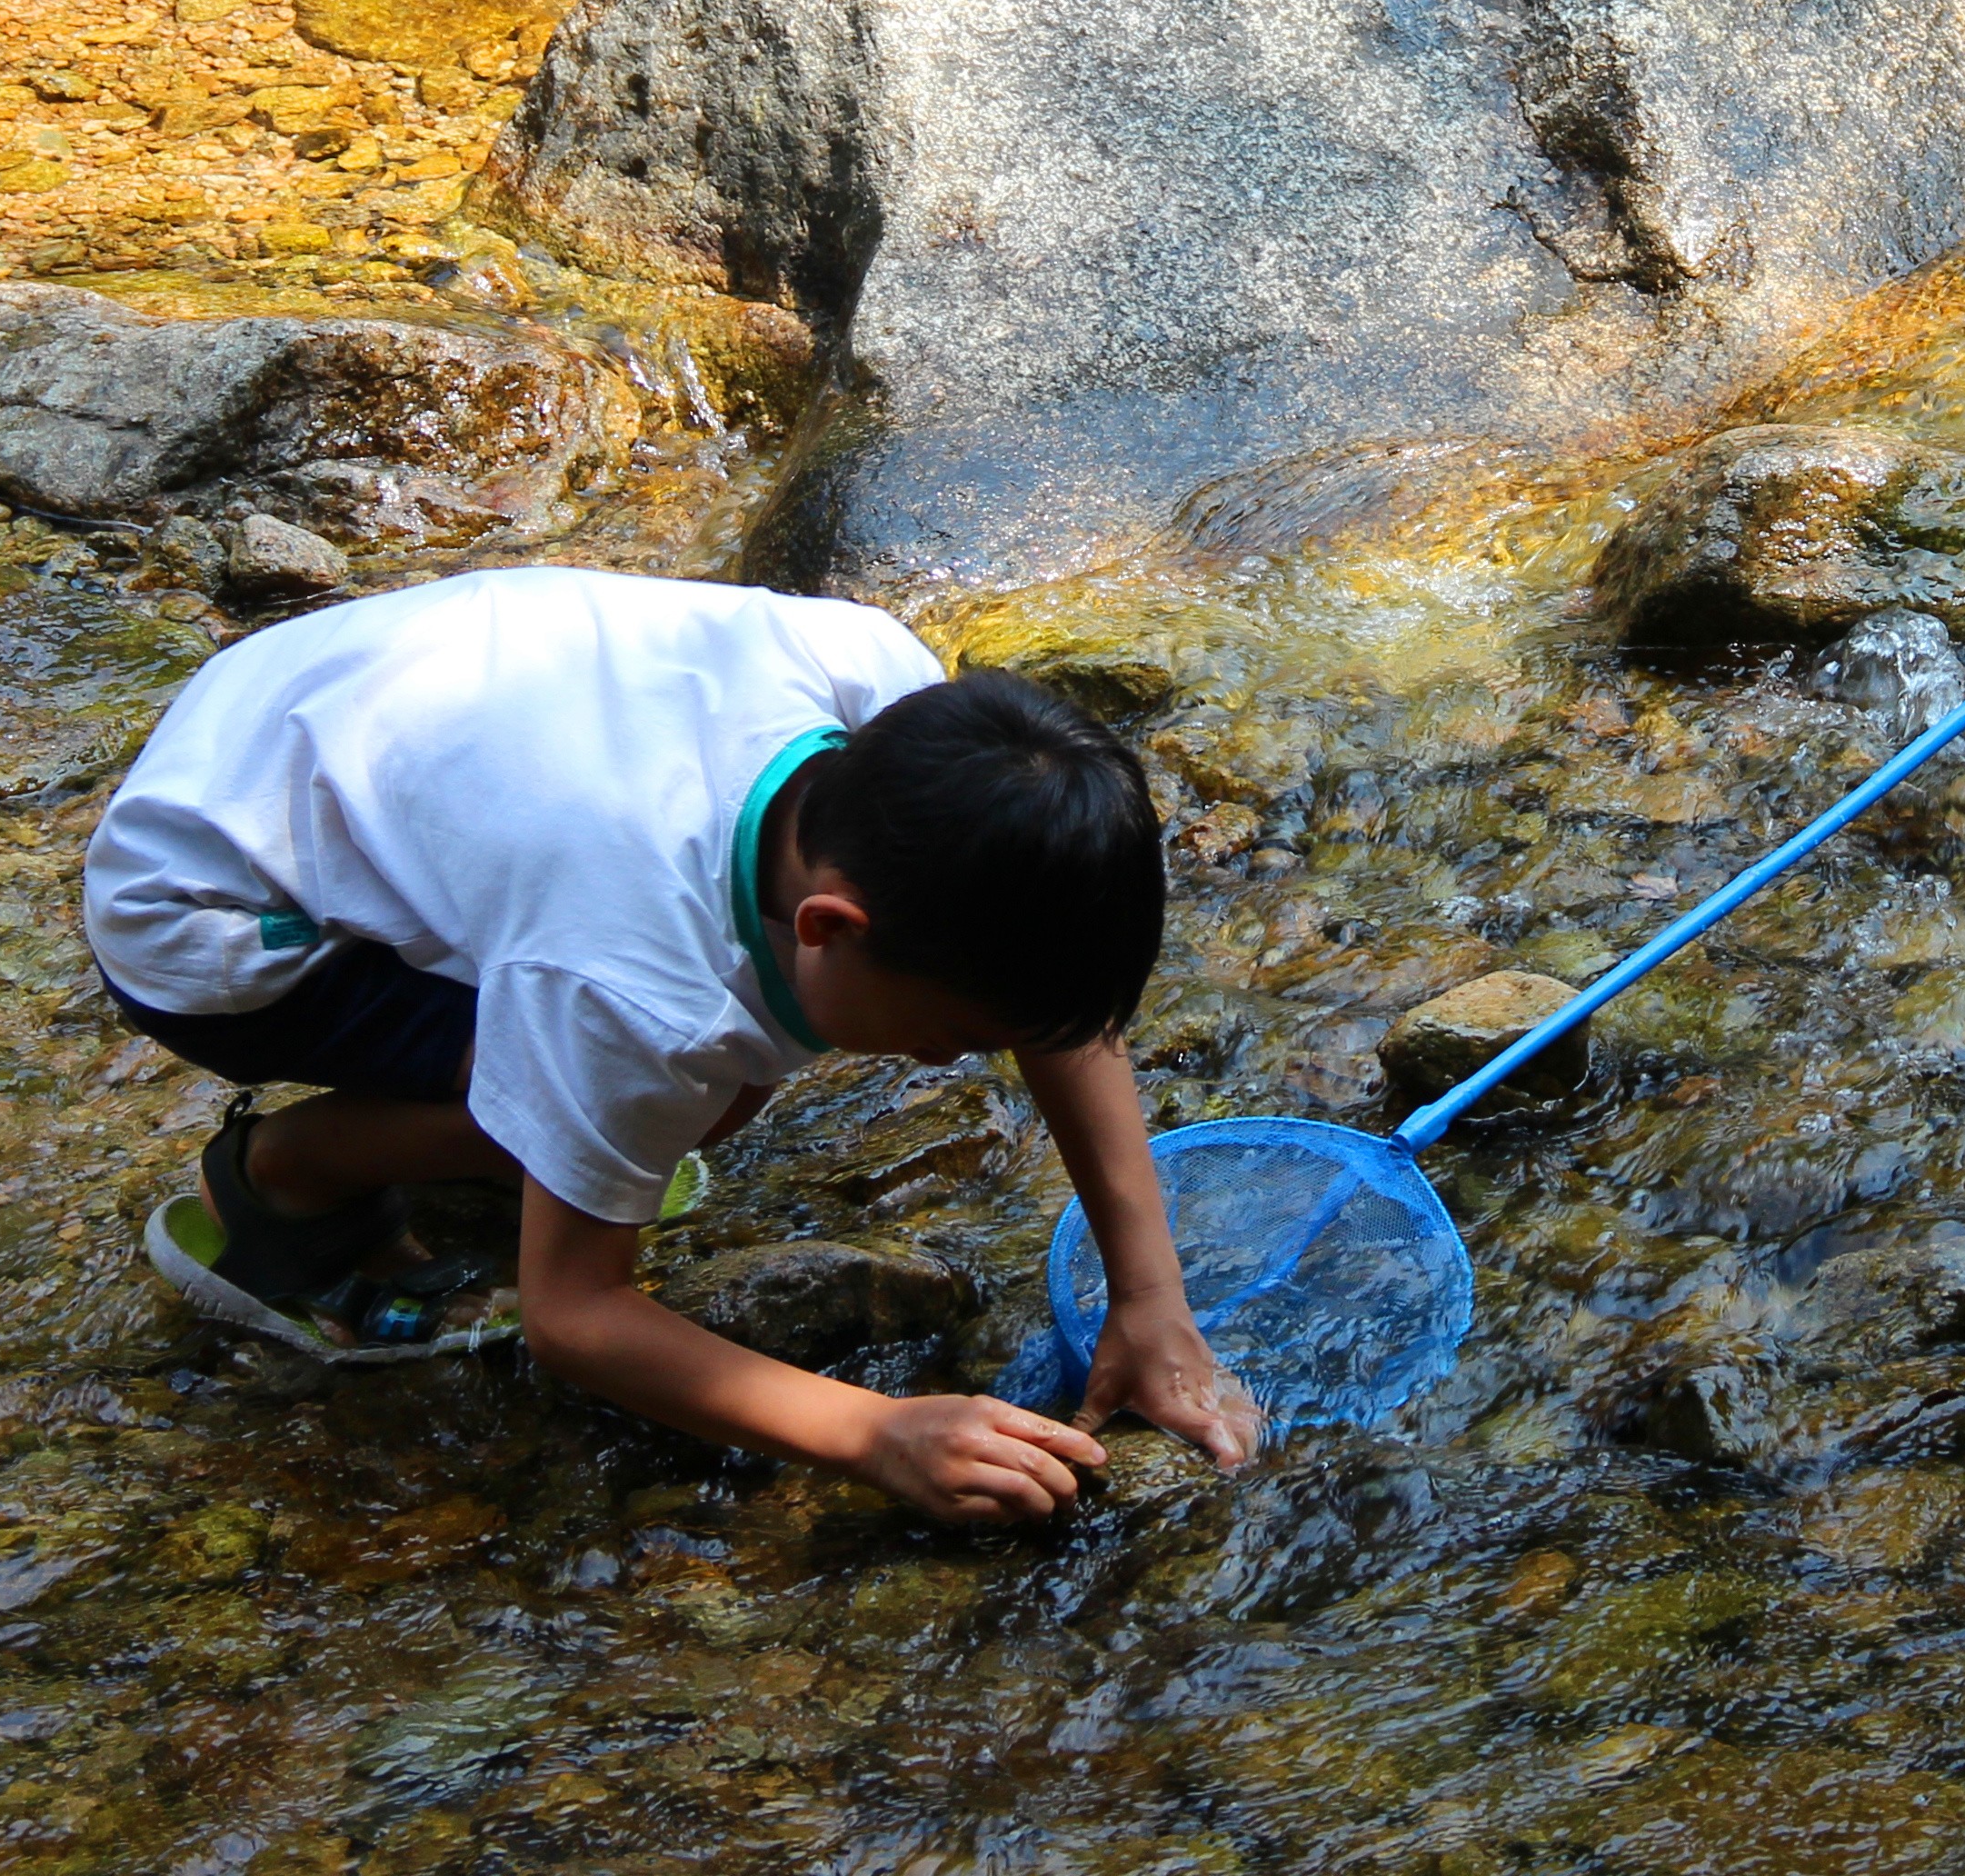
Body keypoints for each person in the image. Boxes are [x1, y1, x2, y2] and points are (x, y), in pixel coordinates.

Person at [89, 563, 1251, 1516]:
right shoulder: (636, 990)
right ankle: (287, 1180)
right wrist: (876, 1433)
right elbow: (575, 1318)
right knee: (688, 1091)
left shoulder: (889, 699)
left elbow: (1044, 1006)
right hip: (204, 908)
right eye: (952, 1038)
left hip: (307, 706)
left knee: (678, 1097)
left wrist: (1151, 1298)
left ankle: (516, 1140)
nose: (952, 1063)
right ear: (829, 927)